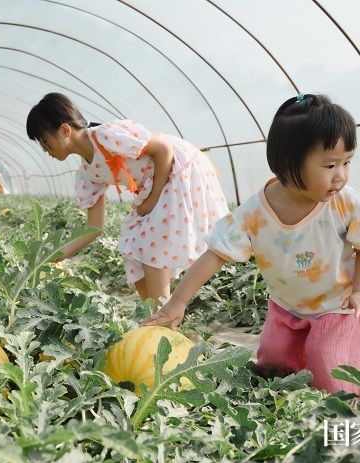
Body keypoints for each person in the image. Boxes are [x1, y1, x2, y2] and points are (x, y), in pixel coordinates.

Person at [143, 94, 360, 395]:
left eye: (346, 163)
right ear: (289, 163)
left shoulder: (346, 203)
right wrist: (178, 300)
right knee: (273, 368)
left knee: (332, 378)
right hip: (285, 308)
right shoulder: (255, 212)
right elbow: (216, 255)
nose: (341, 175)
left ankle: (340, 409)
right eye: (330, 165)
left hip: (337, 307)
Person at [26, 93, 229, 307]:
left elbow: (163, 149)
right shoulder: (87, 173)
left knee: (152, 248)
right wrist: (56, 255)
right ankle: (152, 316)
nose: (45, 151)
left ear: (65, 130)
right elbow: (94, 228)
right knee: (132, 243)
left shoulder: (104, 137)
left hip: (175, 169)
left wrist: (153, 197)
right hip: (152, 186)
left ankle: (166, 320)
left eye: (46, 142)